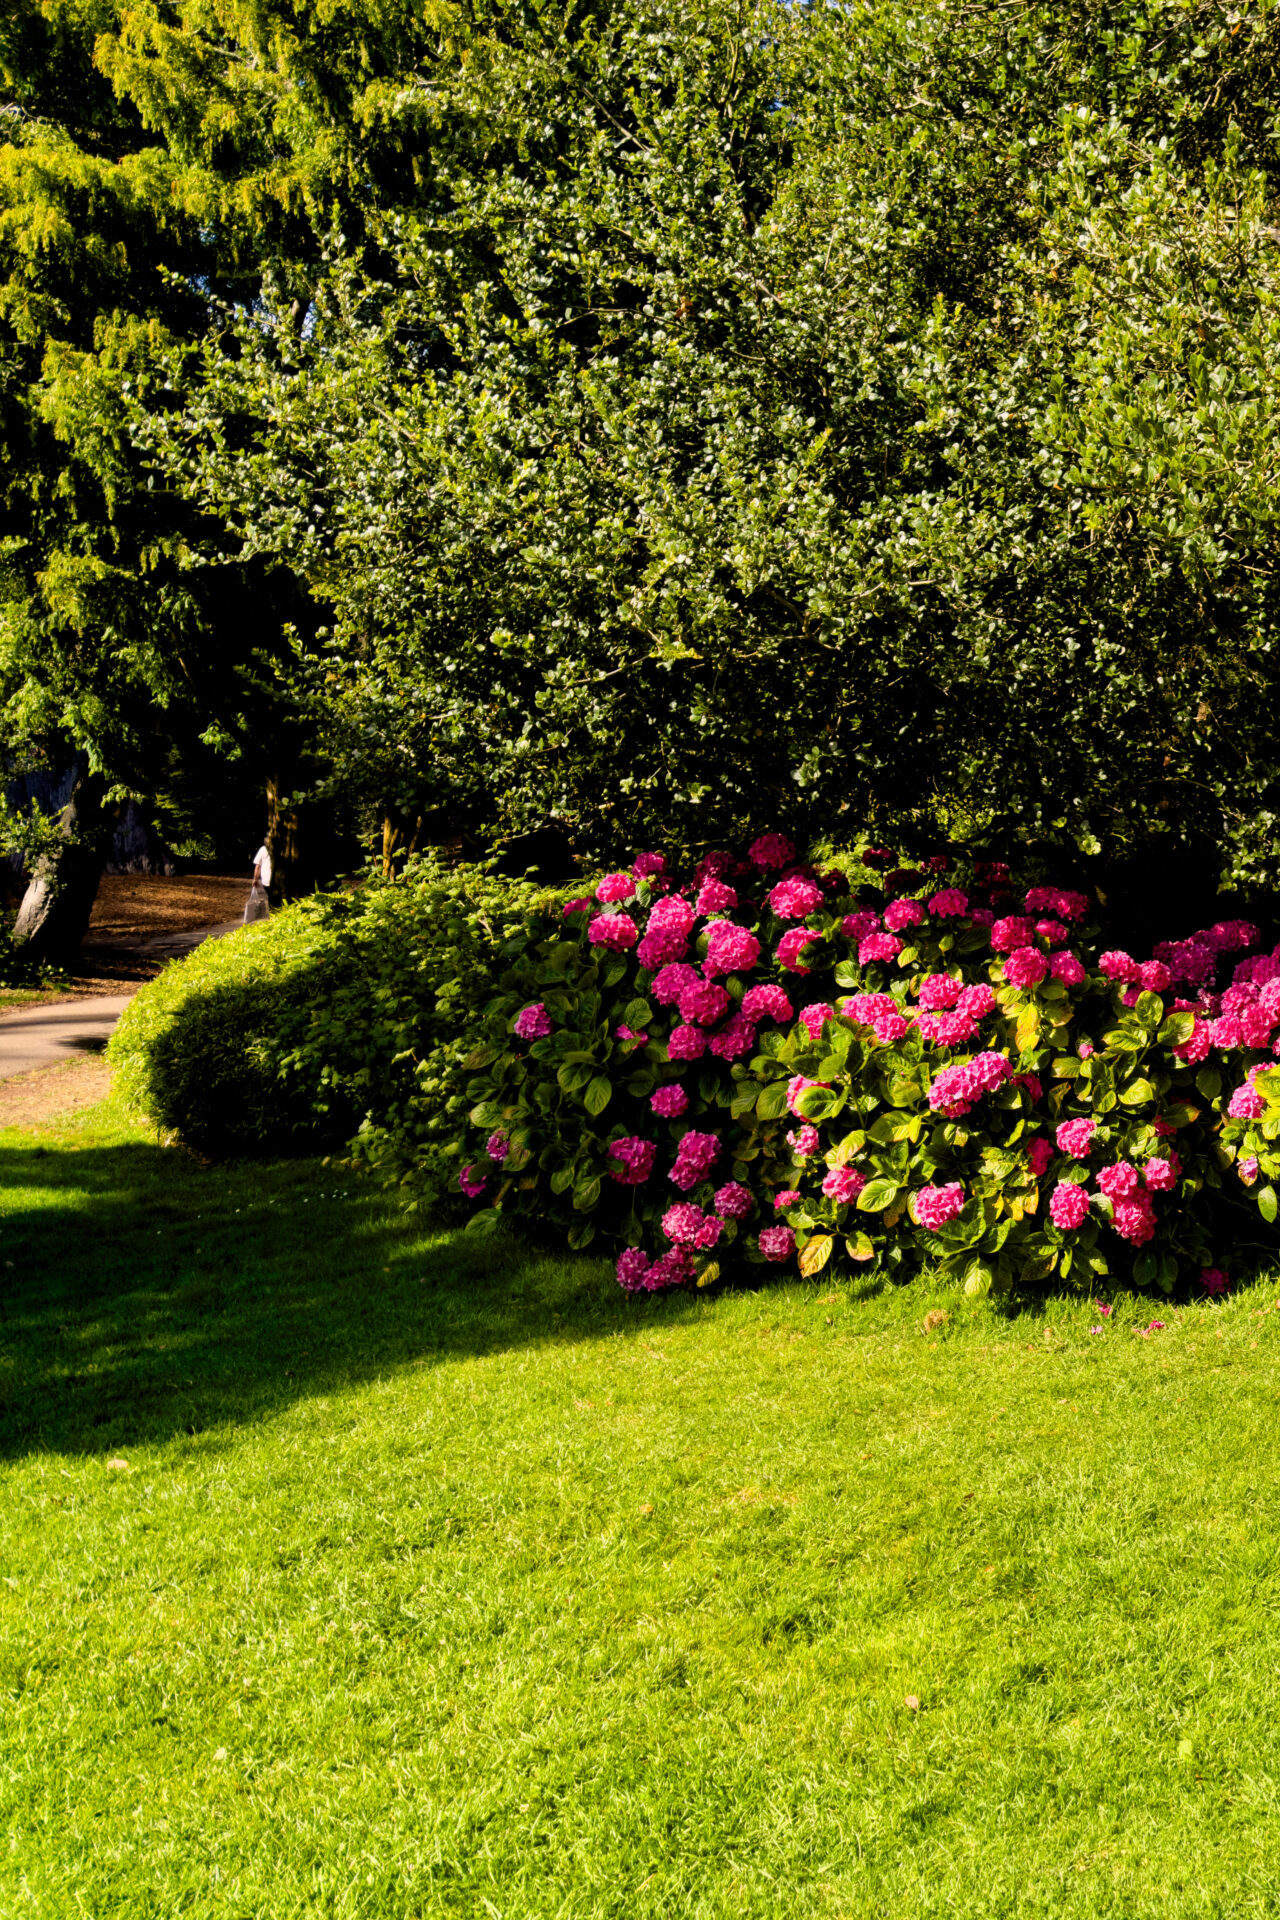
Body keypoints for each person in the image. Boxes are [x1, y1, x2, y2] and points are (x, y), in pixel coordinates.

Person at [244, 838, 273, 924]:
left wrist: (255, 879)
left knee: (270, 899)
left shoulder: (263, 849)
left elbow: (258, 866)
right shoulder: (280, 849)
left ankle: (271, 917)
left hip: (267, 879)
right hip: (277, 879)